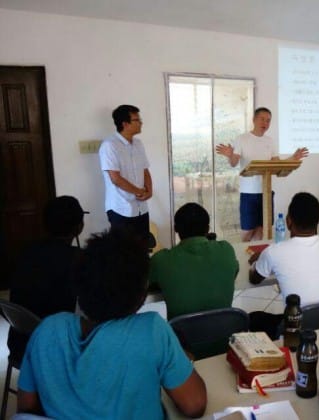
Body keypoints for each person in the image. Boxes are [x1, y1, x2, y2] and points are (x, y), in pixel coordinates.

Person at [16, 230, 207, 419]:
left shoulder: (46, 330)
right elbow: (194, 405)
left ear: (78, 285)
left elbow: (26, 408)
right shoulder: (152, 331)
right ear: (141, 297)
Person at [248, 192, 319, 336]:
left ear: (288, 221)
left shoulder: (273, 251)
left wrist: (257, 261)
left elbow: (254, 279)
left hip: (293, 330)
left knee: (253, 318)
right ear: (318, 221)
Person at [8, 196, 86, 359]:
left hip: (20, 345)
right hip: (53, 350)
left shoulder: (25, 253)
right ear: (79, 227)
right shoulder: (79, 260)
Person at [215, 107, 309, 242]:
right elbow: (234, 163)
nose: (265, 123)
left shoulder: (269, 141)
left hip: (266, 191)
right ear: (254, 120)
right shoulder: (242, 139)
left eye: (268, 121)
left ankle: (256, 258)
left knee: (261, 229)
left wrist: (293, 157)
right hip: (249, 193)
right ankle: (240, 257)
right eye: (262, 119)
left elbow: (277, 165)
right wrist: (230, 155)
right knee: (247, 231)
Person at [148, 203, 238, 320]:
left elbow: (147, 285)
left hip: (181, 337)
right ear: (208, 229)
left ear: (176, 229)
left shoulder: (161, 260)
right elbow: (234, 273)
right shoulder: (226, 250)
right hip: (225, 334)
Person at [99, 104, 152, 243]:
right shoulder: (110, 145)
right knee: (123, 253)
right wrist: (139, 191)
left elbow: (145, 169)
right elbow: (115, 178)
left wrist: (149, 190)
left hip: (141, 208)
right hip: (120, 208)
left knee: (142, 248)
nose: (141, 123)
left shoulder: (138, 144)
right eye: (137, 120)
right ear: (125, 124)